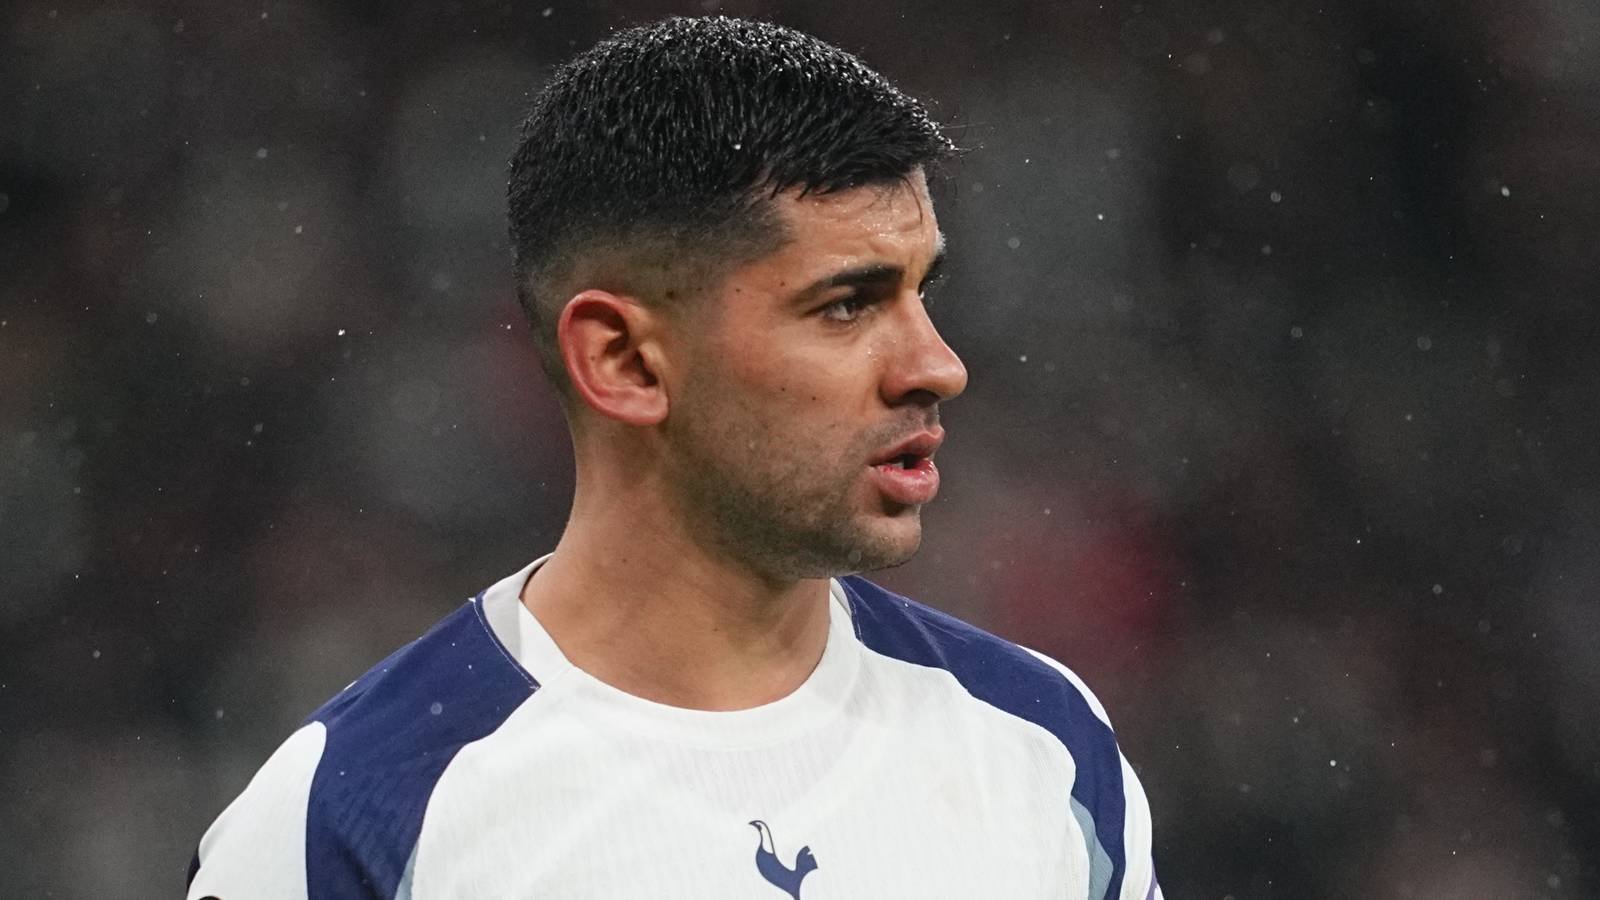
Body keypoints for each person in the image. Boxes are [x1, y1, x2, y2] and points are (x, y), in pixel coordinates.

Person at [185, 15, 1162, 900]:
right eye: (846, 306)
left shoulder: (1041, 744)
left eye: (921, 293)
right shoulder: (352, 821)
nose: (937, 366)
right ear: (623, 359)